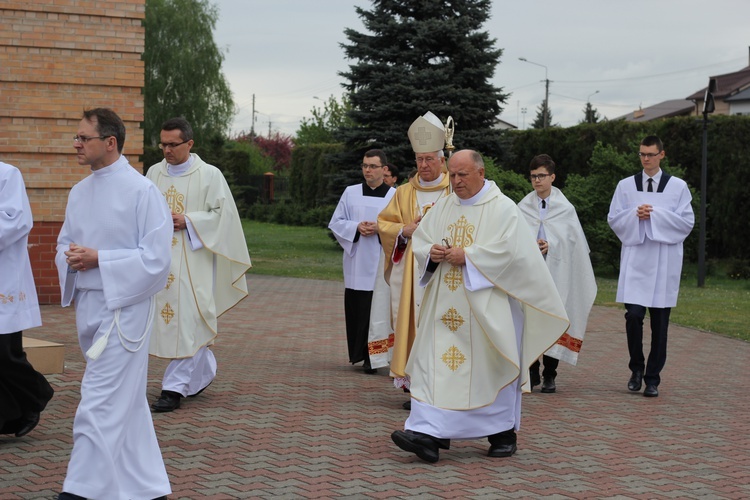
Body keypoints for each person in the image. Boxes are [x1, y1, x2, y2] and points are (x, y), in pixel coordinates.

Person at [390, 150, 569, 463]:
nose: (456, 182)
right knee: (435, 365)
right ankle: (428, 433)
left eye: (463, 175)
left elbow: (516, 256)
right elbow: (422, 239)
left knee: (489, 368)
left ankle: (501, 433)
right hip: (444, 309)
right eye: (454, 175)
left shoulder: (503, 209)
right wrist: (429, 252)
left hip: (487, 311)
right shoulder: (444, 205)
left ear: (481, 173)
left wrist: (470, 257)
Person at [55, 108, 172, 499]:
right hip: (90, 306)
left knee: (97, 402)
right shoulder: (79, 191)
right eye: (76, 137)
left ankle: (79, 491)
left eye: (82, 138)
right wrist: (71, 257)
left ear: (109, 142)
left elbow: (156, 261)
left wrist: (99, 259)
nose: (76, 144)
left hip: (126, 311)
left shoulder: (142, 192)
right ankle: (148, 487)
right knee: (126, 403)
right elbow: (64, 243)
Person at [146, 117, 252, 413]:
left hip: (195, 261)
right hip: (160, 262)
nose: (166, 150)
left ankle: (173, 388)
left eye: (172, 144)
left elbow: (224, 216)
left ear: (189, 144)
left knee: (192, 318)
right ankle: (202, 372)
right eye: (163, 144)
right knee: (178, 323)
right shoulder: (154, 172)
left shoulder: (209, 175)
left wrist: (189, 220)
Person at [608, 135, 694, 398]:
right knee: (633, 316)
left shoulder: (677, 187)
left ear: (662, 155)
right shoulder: (625, 186)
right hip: (636, 260)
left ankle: (653, 378)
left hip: (663, 261)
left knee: (660, 324)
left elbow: (686, 223)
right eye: (642, 154)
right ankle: (636, 368)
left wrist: (654, 214)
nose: (646, 158)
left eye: (651, 154)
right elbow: (614, 218)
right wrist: (636, 215)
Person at [377, 112, 452, 407]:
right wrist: (404, 231)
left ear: (442, 160)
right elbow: (385, 225)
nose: (423, 165)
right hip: (411, 275)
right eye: (419, 160)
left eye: (429, 160)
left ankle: (442, 384)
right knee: (413, 325)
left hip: (446, 273)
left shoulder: (453, 190)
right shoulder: (403, 193)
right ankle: (416, 385)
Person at [517, 154, 597, 393]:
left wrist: (551, 245)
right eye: (533, 176)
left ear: (552, 177)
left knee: (554, 319)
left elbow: (576, 244)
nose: (537, 180)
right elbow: (515, 236)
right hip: (531, 275)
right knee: (528, 320)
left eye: (541, 176)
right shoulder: (523, 206)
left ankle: (550, 373)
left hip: (557, 274)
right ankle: (531, 372)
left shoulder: (565, 208)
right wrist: (531, 244)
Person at [0, 162, 54, 439]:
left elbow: (16, 220)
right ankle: (10, 416)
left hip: (3, 281)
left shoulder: (7, 174)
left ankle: (35, 394)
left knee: (6, 354)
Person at [329, 149, 395, 374]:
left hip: (380, 261)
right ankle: (358, 353)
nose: (368, 170)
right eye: (365, 166)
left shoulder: (395, 196)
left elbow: (402, 227)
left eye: (373, 166)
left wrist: (380, 228)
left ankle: (374, 357)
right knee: (358, 307)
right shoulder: (351, 192)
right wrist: (356, 227)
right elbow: (336, 222)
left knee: (377, 308)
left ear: (384, 169)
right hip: (357, 260)